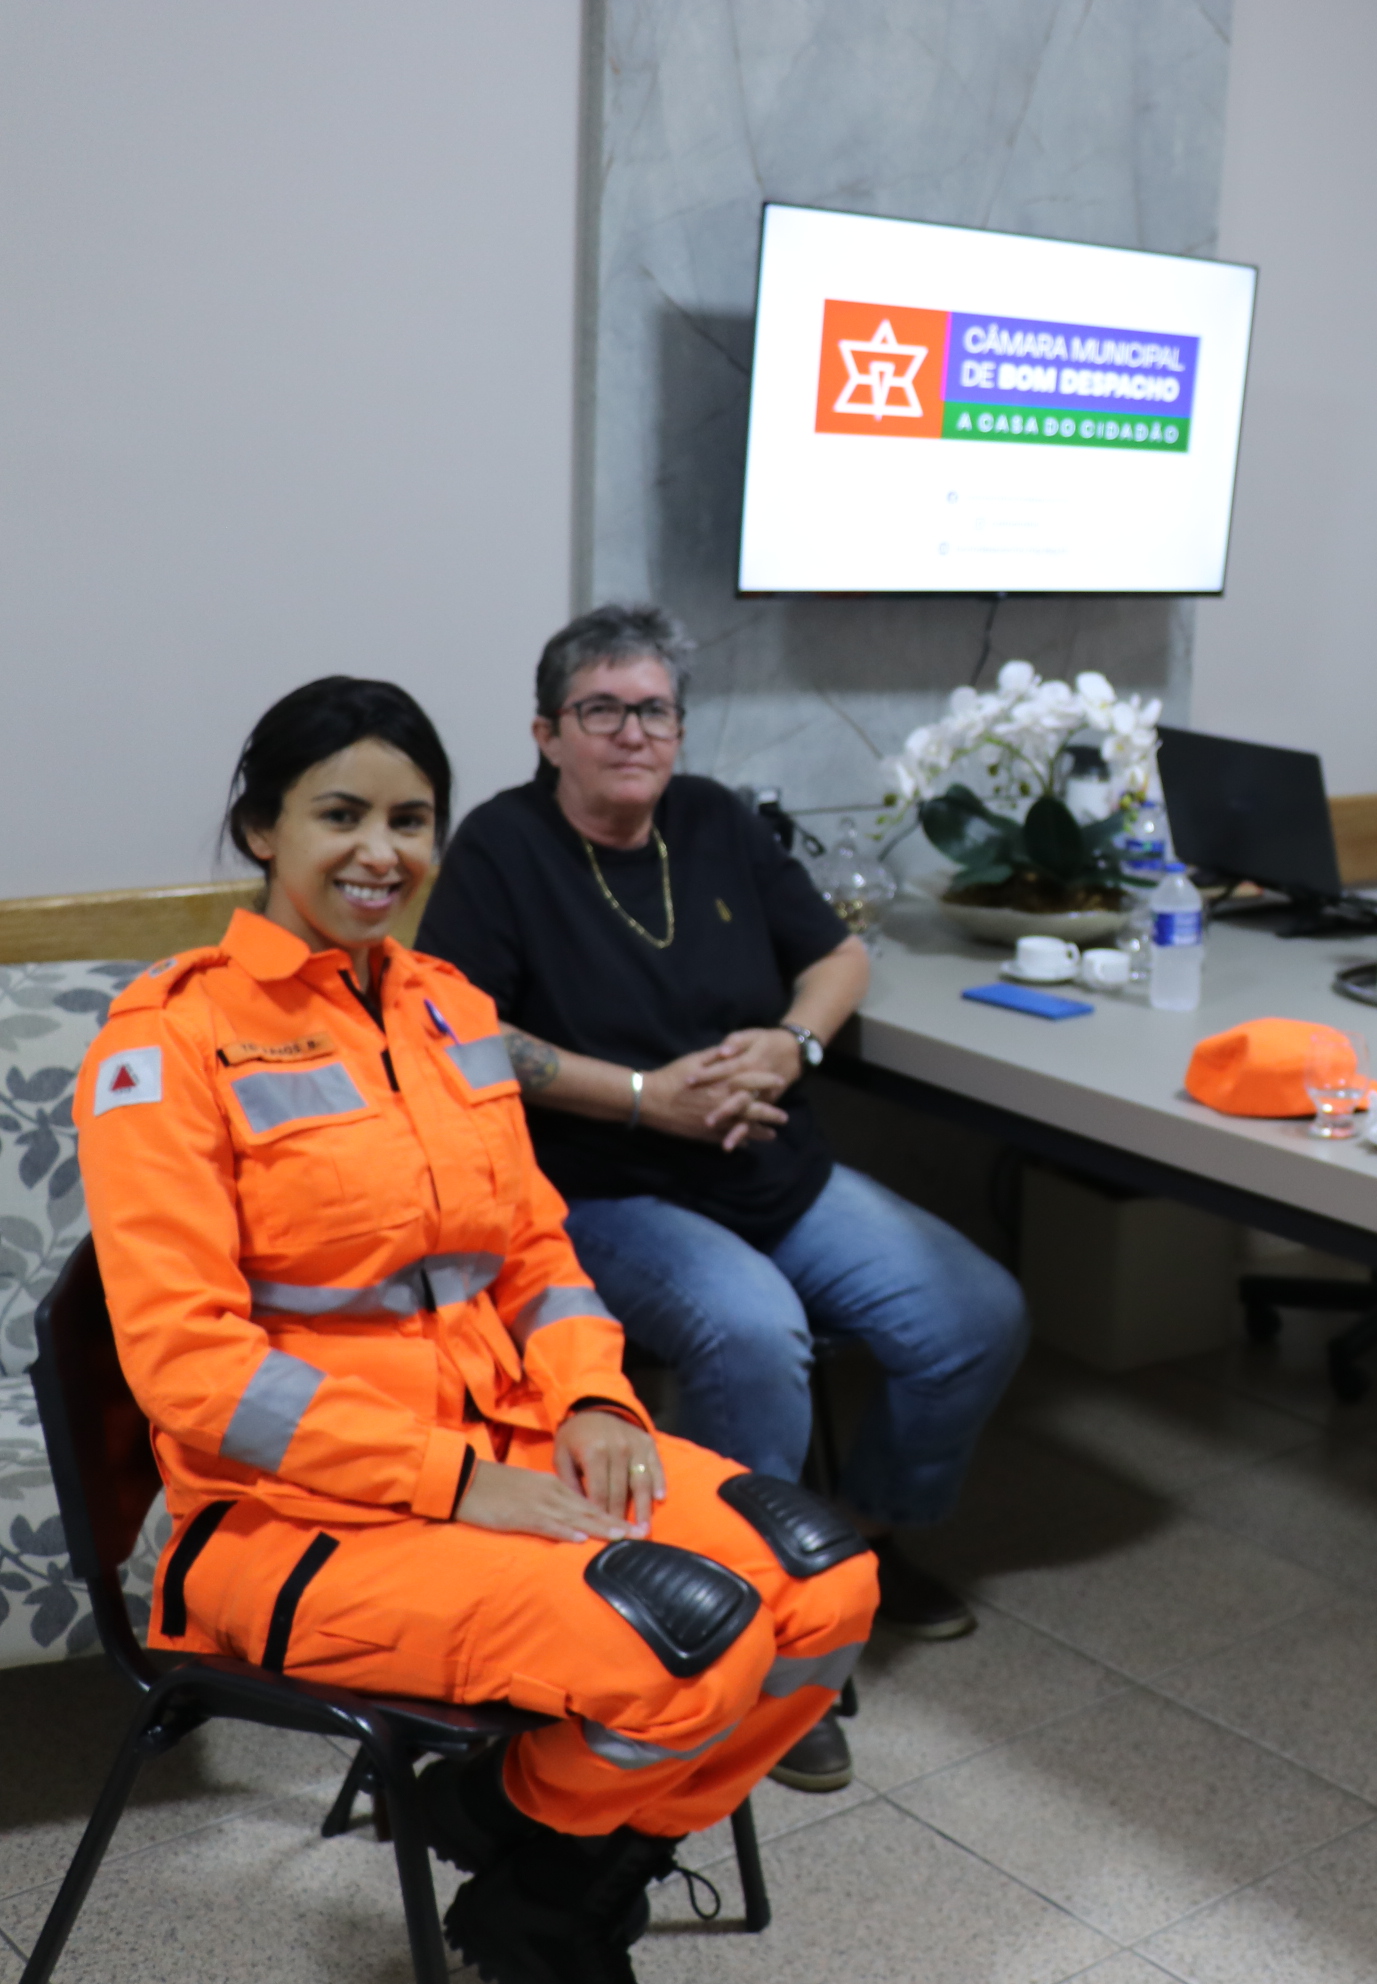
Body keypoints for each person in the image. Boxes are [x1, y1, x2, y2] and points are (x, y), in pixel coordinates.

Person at [75, 678, 878, 1982]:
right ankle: (554, 1894)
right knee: (683, 1643)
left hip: (512, 1446)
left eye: (412, 818)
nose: (382, 852)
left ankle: (526, 1852)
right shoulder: (172, 1042)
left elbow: (537, 1256)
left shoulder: (448, 1008)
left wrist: (595, 1402)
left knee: (831, 1581)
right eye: (340, 813)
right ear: (261, 828)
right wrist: (458, 1482)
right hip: (294, 1516)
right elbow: (192, 1370)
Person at [417, 605, 1029, 1796]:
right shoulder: (501, 847)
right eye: (601, 709)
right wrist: (648, 1099)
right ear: (548, 732)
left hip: (764, 1157)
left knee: (973, 1311)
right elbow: (464, 1035)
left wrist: (792, 1048)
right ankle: (755, 1638)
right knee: (755, 1332)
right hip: (603, 1188)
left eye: (653, 708)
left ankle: (860, 1541)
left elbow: (841, 955)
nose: (631, 731)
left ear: (680, 729)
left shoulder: (716, 822)